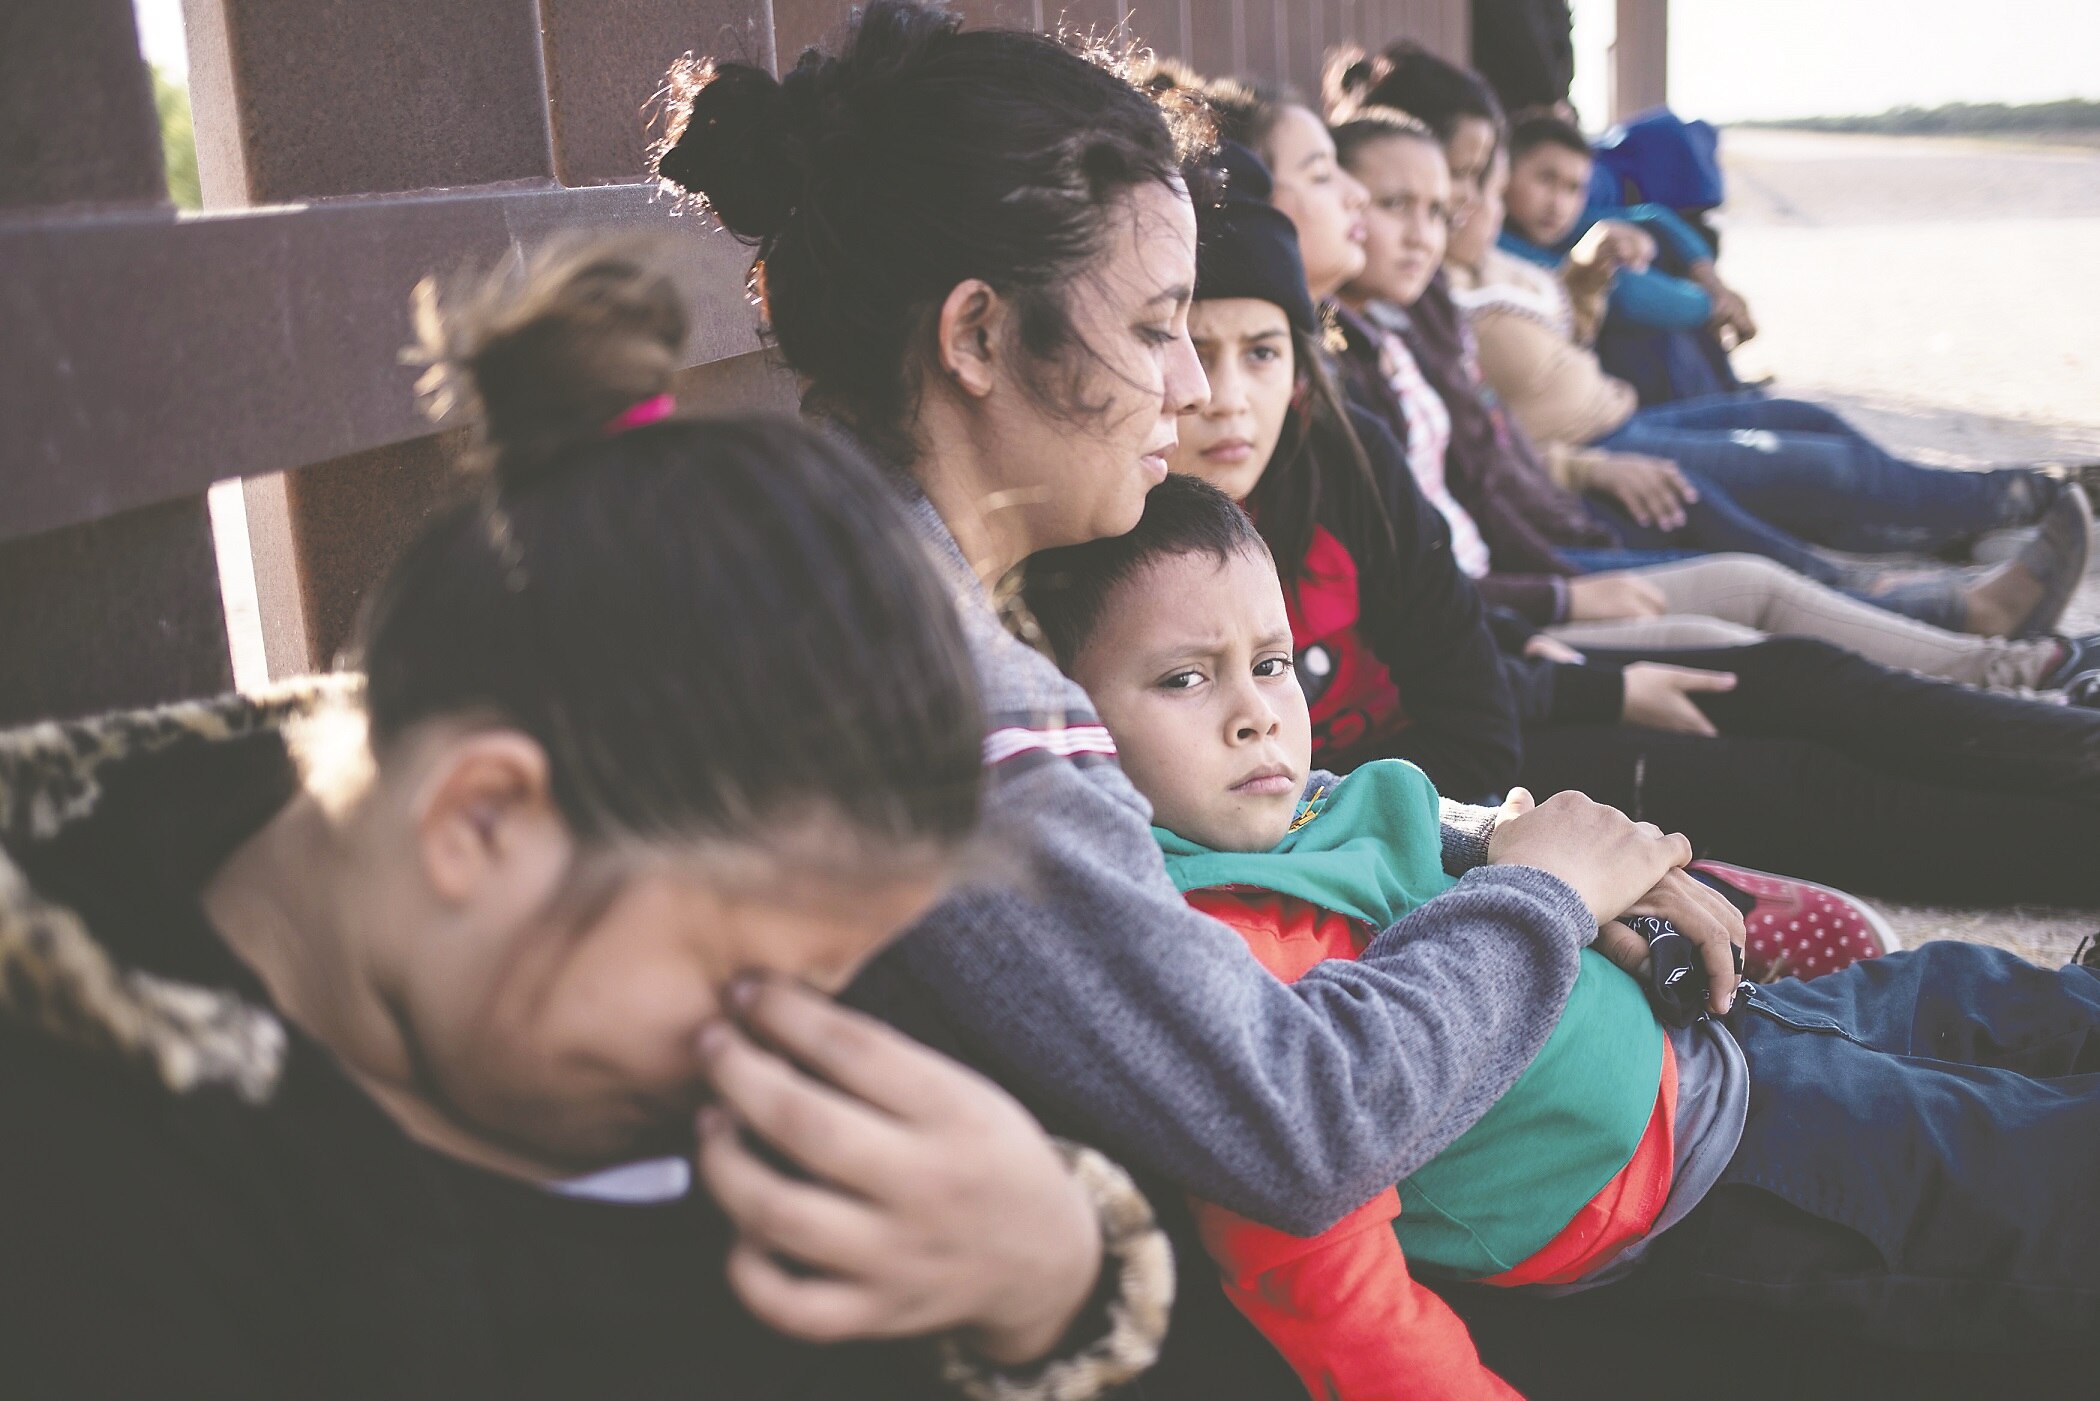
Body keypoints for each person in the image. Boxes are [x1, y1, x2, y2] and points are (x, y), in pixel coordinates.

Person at [655, 7, 1727, 1390]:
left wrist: (1482, 846)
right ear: (977, 331)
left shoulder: (852, 577)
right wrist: (1540, 900)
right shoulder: (950, 713)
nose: (1189, 381)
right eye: (1158, 326)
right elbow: (1299, 1122)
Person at [0, 244, 1174, 1399]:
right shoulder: (83, 1200)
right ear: (483, 821)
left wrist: (1048, 1288)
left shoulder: (617, 1041)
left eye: (831, 979)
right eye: (745, 977)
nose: (780, 1045)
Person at [1025, 473, 2100, 1394]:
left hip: (1726, 1040)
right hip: (1718, 1182)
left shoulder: (1287, 806)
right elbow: (1328, 1289)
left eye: (1271, 662)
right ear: (1072, 722)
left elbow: (1446, 824)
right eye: (1182, 678)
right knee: (2033, 1183)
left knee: (1981, 995)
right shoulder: (1207, 953)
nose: (1256, 710)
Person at [1157, 147, 2100, 920]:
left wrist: (1580, 670)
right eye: (1197, 351)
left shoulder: (1339, 455)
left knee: (1798, 674)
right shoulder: (1141, 535)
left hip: (1496, 708)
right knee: (1802, 787)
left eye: (1264, 352)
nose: (1228, 398)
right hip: (1462, 797)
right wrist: (1590, 688)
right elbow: (1460, 748)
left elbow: (1468, 669)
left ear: (1302, 364)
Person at [1460, 119, 2080, 570]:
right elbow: (1639, 301)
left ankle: (1948, 518)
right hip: (1602, 443)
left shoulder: (1512, 257)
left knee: (1807, 420)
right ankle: (2041, 494)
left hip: (1622, 415)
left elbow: (1648, 218)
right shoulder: (1491, 258)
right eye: (1543, 179)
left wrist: (1700, 271)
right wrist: (1711, 302)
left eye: (1573, 186)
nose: (1559, 201)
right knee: (1825, 468)